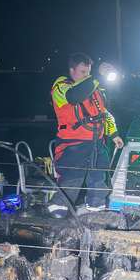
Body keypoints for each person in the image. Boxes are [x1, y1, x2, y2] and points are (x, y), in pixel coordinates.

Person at [48, 52, 124, 217]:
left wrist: (114, 134)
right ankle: (57, 214)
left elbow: (104, 114)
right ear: (71, 71)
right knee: (71, 180)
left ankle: (96, 213)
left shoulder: (93, 88)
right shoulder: (61, 86)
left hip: (96, 142)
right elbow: (73, 97)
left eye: (88, 73)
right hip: (72, 144)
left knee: (98, 179)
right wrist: (96, 76)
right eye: (82, 72)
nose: (86, 76)